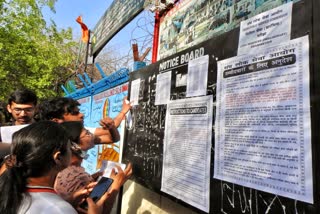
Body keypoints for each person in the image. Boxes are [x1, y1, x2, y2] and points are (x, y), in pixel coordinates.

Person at [0, 121, 132, 214]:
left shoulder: (11, 192)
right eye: (69, 147)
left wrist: (70, 201)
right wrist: (114, 187)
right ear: (58, 157)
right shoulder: (58, 209)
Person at [37, 96, 131, 147]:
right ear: (57, 121)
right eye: (75, 113)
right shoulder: (46, 145)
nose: (81, 115)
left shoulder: (81, 133)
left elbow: (110, 138)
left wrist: (121, 114)